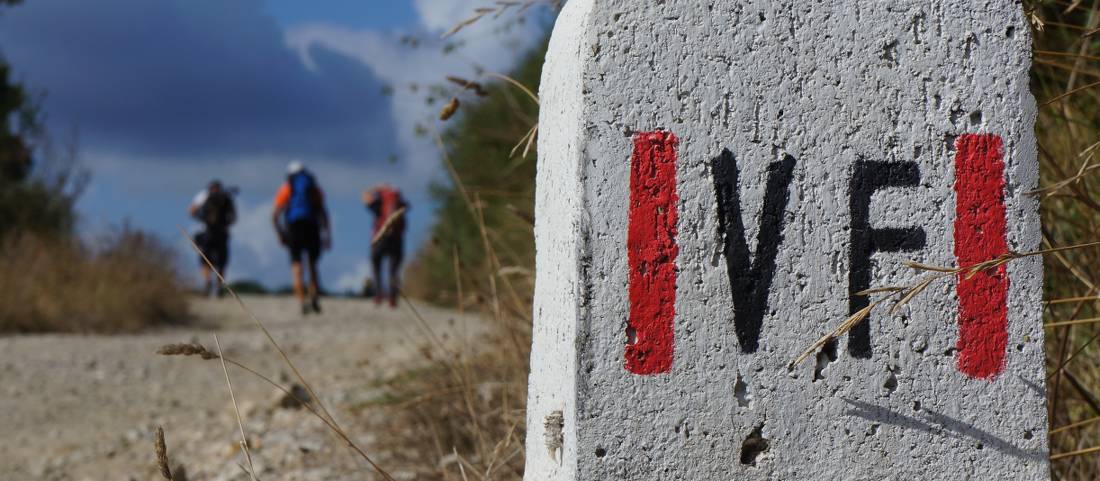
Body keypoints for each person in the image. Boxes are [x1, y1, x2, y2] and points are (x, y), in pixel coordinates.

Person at [272, 161, 331, 315]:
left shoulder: (287, 188)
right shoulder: (314, 188)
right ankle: (315, 298)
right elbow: (324, 213)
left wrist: (279, 233)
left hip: (293, 228)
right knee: (313, 266)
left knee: (297, 267)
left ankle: (301, 302)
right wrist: (327, 235)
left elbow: (274, 215)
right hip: (312, 227)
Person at [362, 183, 408, 307]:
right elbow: (407, 208)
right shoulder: (400, 201)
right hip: (397, 239)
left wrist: (376, 188)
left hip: (380, 237)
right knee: (394, 270)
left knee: (376, 265)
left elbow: (364, 196)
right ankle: (393, 297)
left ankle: (378, 294)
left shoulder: (379, 201)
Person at [188, 180, 236, 296]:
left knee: (204, 259)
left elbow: (191, 211)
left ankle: (207, 281)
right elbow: (233, 217)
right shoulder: (226, 197)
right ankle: (219, 286)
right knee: (222, 261)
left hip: (206, 232)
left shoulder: (204, 196)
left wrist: (201, 218)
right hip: (222, 233)